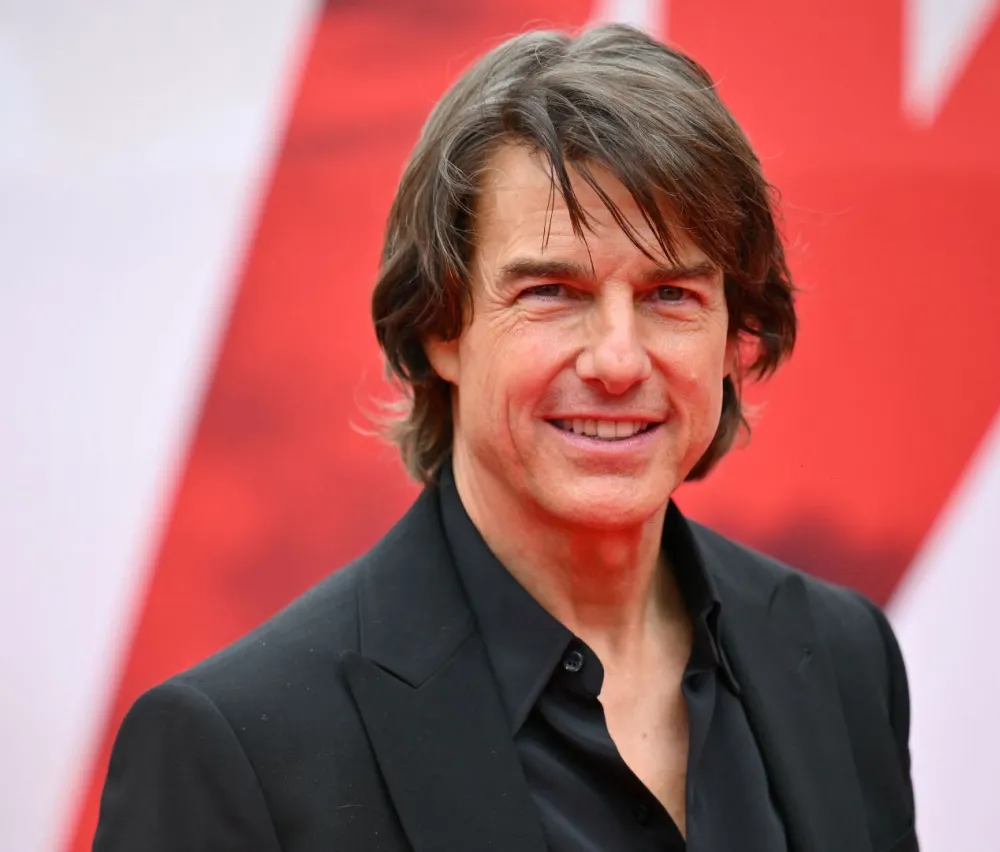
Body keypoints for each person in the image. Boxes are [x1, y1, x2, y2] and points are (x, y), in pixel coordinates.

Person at [94, 23, 916, 852]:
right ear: (441, 327)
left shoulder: (844, 660)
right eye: (554, 291)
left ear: (736, 334)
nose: (619, 360)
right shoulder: (234, 750)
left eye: (671, 294)